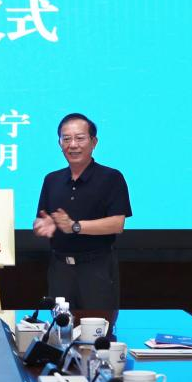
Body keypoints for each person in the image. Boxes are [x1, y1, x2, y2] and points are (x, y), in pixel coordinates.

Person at [32, 113, 132, 310]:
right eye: (66, 139)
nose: (72, 145)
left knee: (98, 324)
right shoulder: (51, 180)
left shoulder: (111, 177)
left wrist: (75, 226)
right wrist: (44, 226)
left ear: (94, 142)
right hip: (60, 268)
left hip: (96, 269)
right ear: (59, 143)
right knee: (59, 324)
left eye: (79, 138)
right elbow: (43, 219)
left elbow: (117, 224)